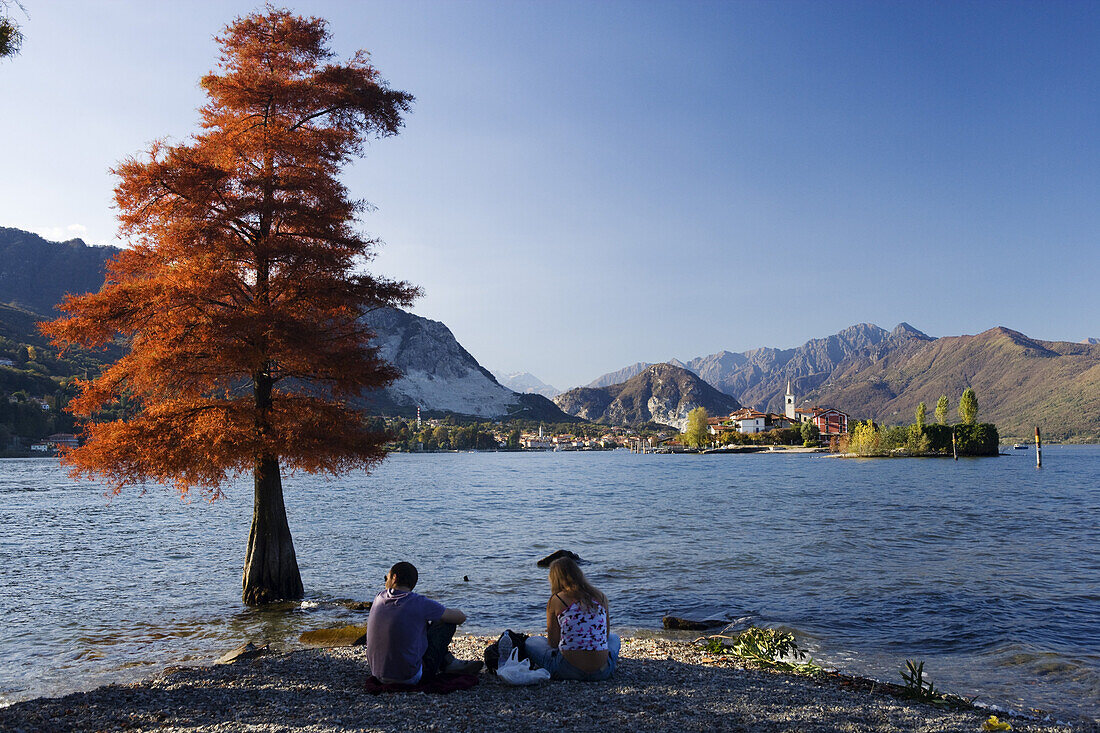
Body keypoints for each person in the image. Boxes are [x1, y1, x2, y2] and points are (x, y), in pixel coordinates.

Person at [365, 561, 482, 684]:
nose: (385, 582)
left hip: (377, 673)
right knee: (446, 623)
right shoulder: (419, 602)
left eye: (386, 578)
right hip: (409, 677)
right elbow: (460, 618)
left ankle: (449, 662)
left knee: (416, 623)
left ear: (394, 578)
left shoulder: (378, 598)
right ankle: (448, 663)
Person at [525, 557, 620, 681]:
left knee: (531, 642)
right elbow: (605, 636)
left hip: (568, 671)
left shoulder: (557, 599)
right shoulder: (600, 596)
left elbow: (553, 643)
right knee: (614, 638)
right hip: (602, 672)